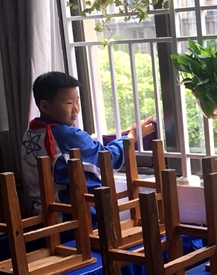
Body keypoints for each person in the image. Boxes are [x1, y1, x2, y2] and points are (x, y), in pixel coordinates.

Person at [21, 71, 155, 215]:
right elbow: (108, 160)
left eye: (77, 101)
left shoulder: (31, 132)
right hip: (72, 214)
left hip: (43, 212)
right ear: (45, 107)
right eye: (69, 103)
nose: (76, 108)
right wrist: (132, 137)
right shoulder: (66, 134)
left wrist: (88, 141)